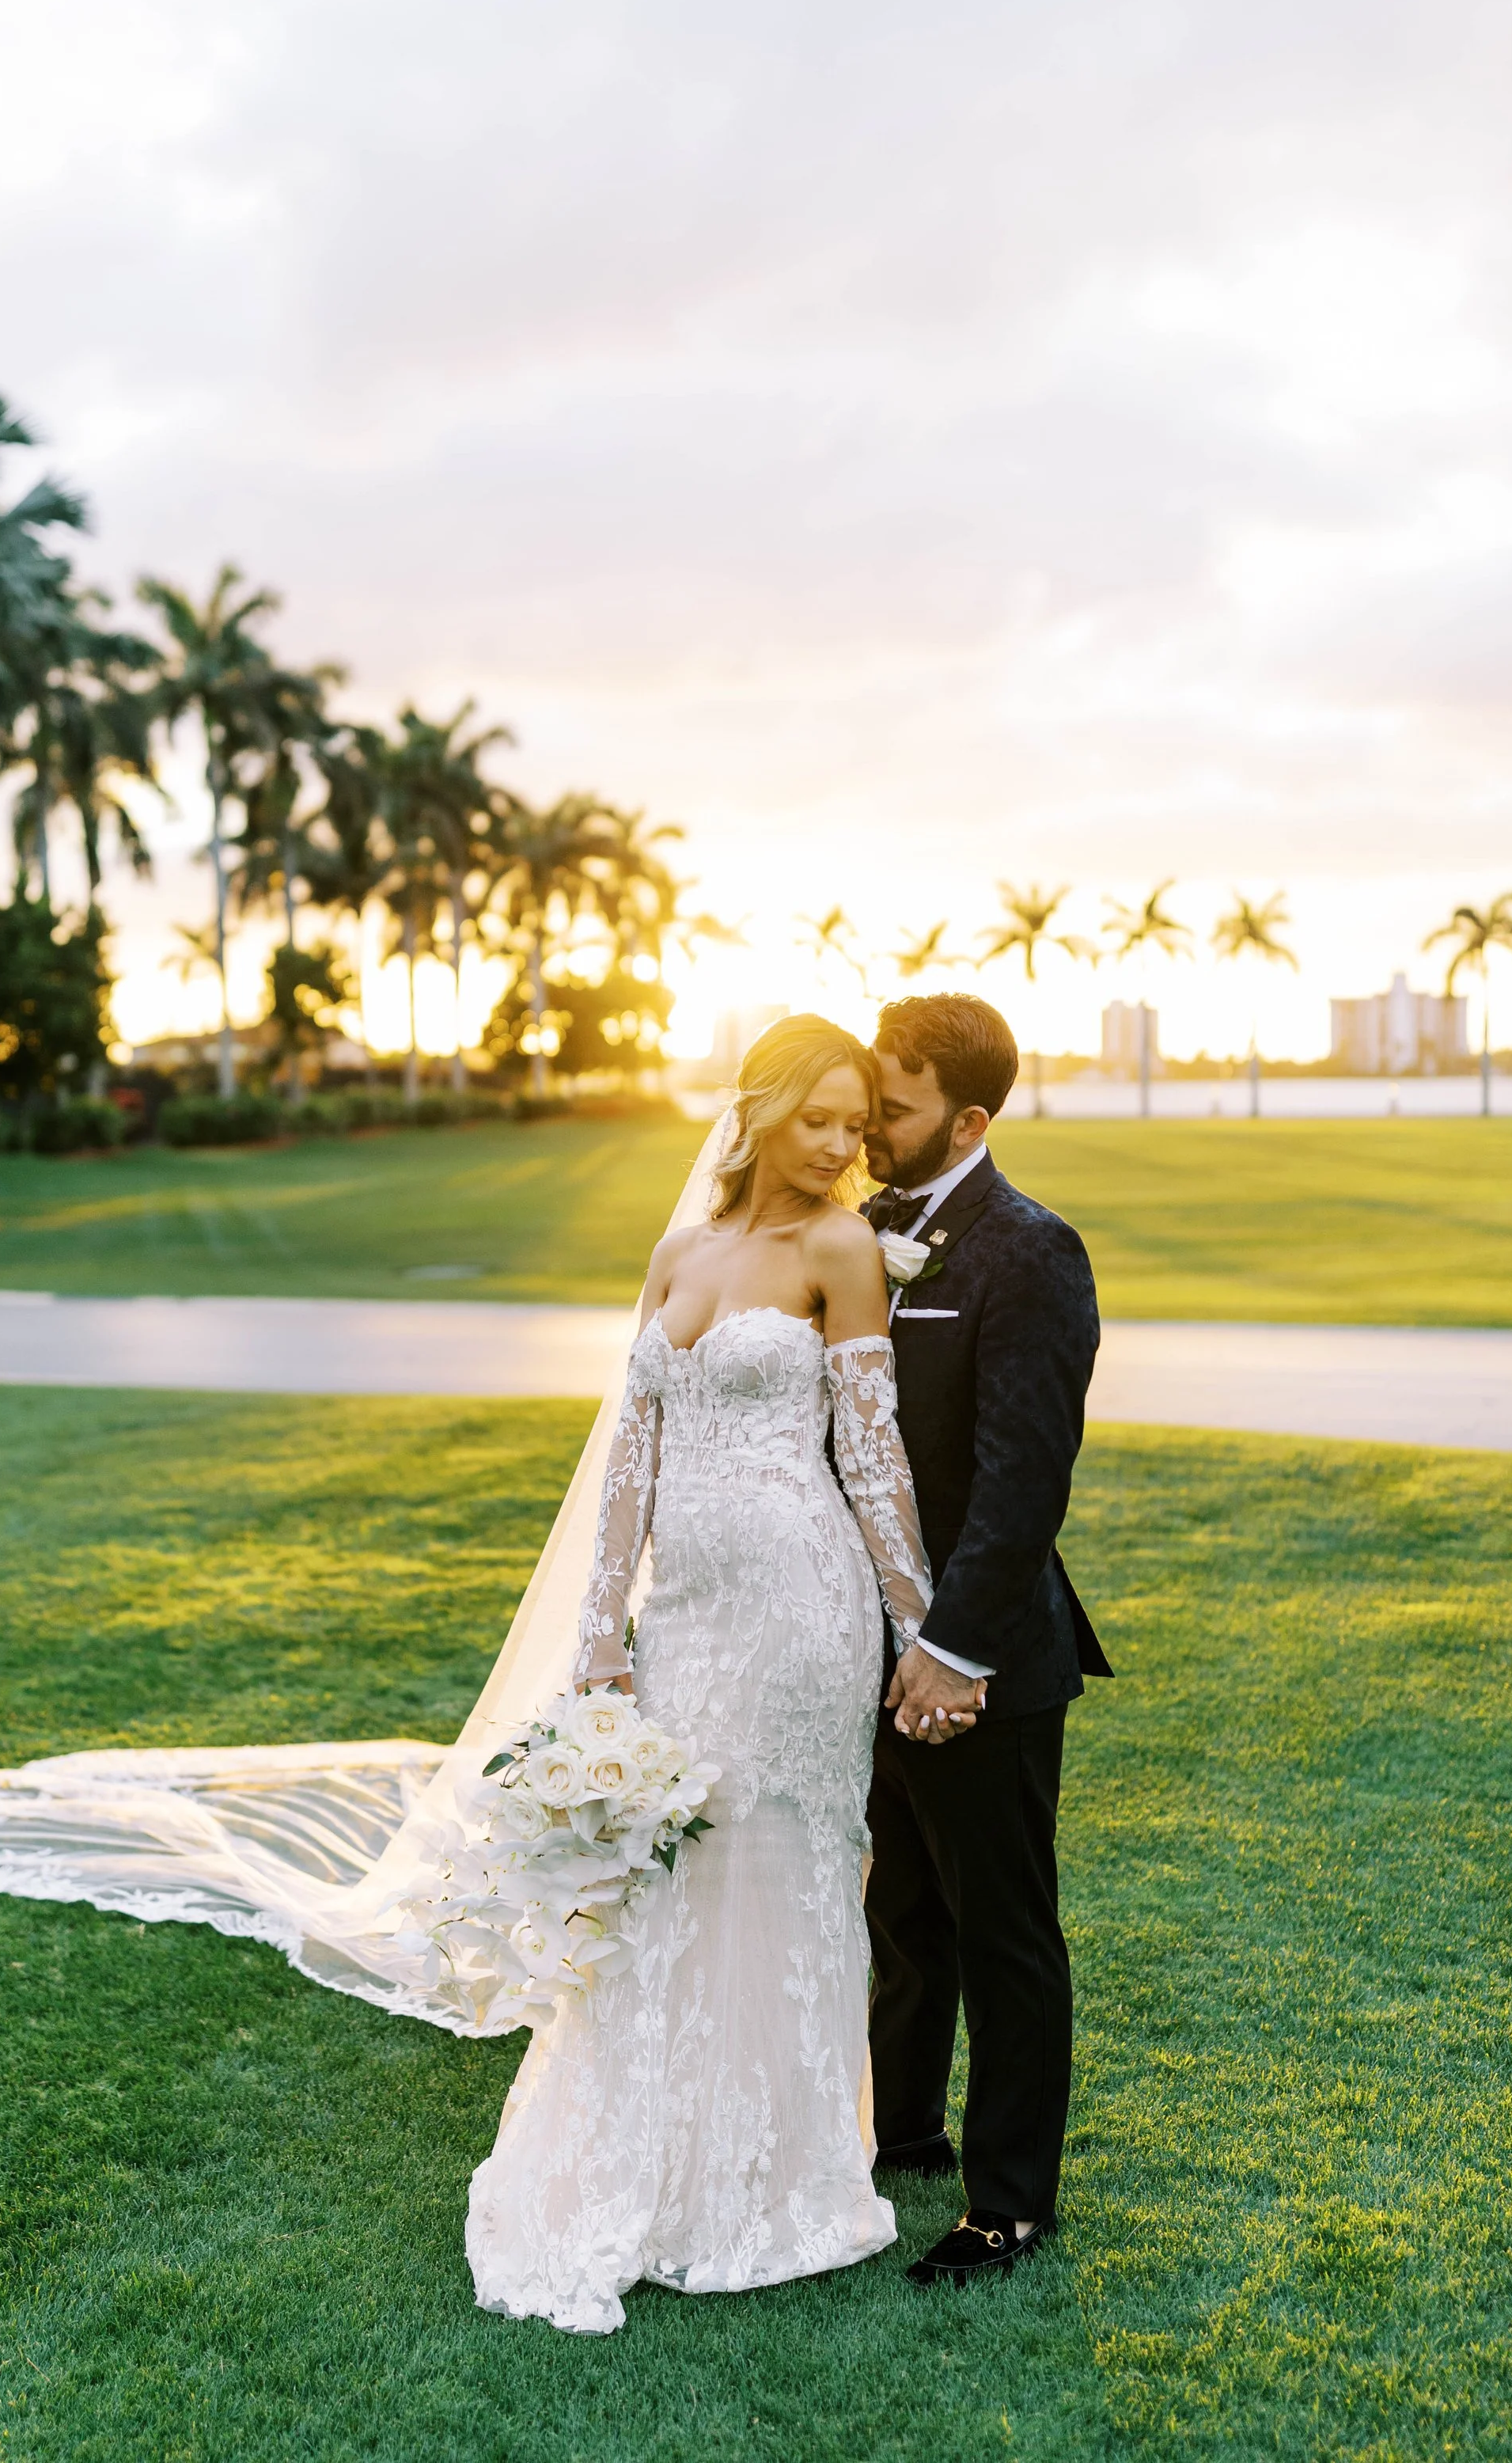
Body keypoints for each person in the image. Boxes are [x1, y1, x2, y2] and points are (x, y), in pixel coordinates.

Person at [465, 1014, 942, 2332]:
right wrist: (602, 1634)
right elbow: (630, 1456)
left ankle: (780, 2177)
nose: (844, 1146)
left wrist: (924, 1629)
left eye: (859, 1125)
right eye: (821, 1120)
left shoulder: (842, 1250)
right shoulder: (681, 1252)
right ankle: (658, 2157)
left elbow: (875, 1454)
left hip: (801, 1612)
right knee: (672, 1873)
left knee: (778, 1861)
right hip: (683, 1617)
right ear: (762, 1108)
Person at [858, 992, 1108, 2286]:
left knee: (1003, 1931)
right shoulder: (854, 1233)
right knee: (901, 1914)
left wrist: (951, 1652)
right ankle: (897, 2137)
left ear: (967, 1117)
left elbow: (1022, 1480)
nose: (867, 1128)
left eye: (891, 1111)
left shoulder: (1030, 1251)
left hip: (984, 1661)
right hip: (861, 1645)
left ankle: (1006, 2206)